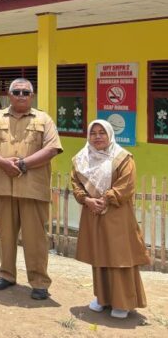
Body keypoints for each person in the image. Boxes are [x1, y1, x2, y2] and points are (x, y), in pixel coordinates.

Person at [0, 78, 62, 300]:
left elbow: (53, 148)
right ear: (9, 94)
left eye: (26, 92)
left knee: (35, 238)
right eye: (17, 91)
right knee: (5, 235)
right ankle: (6, 275)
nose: (21, 95)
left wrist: (23, 164)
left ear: (32, 96)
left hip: (32, 187)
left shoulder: (44, 119)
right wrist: (3, 163)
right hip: (3, 185)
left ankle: (39, 281)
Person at [71, 119, 150, 318]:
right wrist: (87, 200)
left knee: (119, 256)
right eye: (93, 133)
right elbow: (76, 183)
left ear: (110, 135)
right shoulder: (81, 159)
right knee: (99, 255)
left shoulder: (123, 158)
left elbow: (126, 185)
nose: (97, 137)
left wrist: (105, 199)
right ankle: (102, 298)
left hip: (117, 215)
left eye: (102, 133)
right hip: (93, 214)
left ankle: (122, 302)